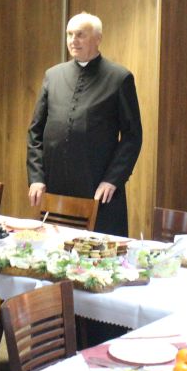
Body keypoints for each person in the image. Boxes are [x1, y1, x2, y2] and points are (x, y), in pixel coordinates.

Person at [27, 12, 142, 237]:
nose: (73, 40)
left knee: (99, 253)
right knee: (54, 250)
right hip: (56, 187)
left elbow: (132, 136)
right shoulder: (53, 76)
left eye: (80, 35)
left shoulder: (119, 78)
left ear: (98, 38)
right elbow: (35, 132)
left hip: (98, 188)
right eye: (69, 34)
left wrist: (113, 180)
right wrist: (36, 178)